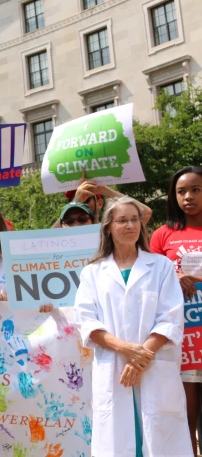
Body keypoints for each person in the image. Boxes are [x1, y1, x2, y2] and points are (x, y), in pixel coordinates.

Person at [74, 197, 191, 456]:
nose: (130, 225)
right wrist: (125, 349)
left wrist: (140, 359)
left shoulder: (161, 266)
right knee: (117, 439)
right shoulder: (92, 272)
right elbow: (86, 320)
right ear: (108, 227)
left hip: (154, 366)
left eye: (135, 219)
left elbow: (170, 318)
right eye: (122, 220)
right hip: (114, 366)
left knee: (160, 440)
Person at [150, 165, 202, 451]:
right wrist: (173, 275)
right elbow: (150, 277)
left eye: (196, 189)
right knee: (187, 414)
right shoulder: (162, 235)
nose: (188, 197)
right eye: (181, 191)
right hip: (184, 337)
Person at [54, 172, 152, 227]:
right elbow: (48, 237)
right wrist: (75, 202)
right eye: (73, 199)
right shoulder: (66, 230)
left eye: (85, 197)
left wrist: (104, 190)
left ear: (99, 203)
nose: (80, 203)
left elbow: (145, 213)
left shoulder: (110, 231)